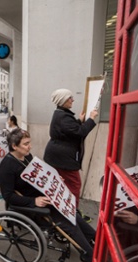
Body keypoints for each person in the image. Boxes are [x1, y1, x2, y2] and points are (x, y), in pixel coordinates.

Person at [0, 129, 96, 262]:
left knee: (73, 214)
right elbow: (8, 197)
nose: (30, 146)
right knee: (68, 223)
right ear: (14, 146)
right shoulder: (7, 167)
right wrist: (34, 201)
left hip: (45, 196)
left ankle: (96, 239)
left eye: (29, 143)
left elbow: (40, 174)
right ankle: (90, 254)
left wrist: (54, 179)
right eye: (26, 144)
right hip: (30, 206)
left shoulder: (27, 157)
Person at [43, 88, 98, 222]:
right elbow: (79, 133)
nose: (73, 100)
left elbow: (70, 131)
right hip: (63, 159)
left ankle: (65, 211)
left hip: (58, 157)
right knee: (74, 185)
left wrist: (78, 121)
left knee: (63, 186)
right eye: (70, 98)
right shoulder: (63, 116)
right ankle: (73, 216)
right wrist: (91, 119)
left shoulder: (61, 114)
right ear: (62, 101)